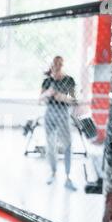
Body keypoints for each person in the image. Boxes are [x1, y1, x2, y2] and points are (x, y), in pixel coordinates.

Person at [40, 56, 77, 191]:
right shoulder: (47, 81)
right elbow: (40, 99)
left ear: (62, 66)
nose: (56, 70)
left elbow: (73, 100)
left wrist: (61, 97)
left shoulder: (69, 80)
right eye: (54, 68)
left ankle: (68, 176)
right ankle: (53, 172)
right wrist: (48, 93)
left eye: (59, 67)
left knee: (67, 144)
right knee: (50, 145)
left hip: (63, 113)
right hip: (50, 113)